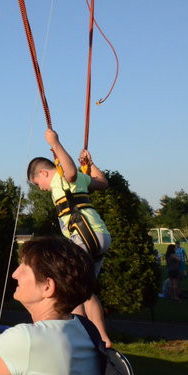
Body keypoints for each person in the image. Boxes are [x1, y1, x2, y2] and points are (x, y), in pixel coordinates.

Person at [0, 236, 100, 375]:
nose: (15, 274)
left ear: (47, 286)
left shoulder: (29, 339)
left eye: (24, 267)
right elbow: (4, 359)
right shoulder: (82, 327)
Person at [27, 129, 112, 347]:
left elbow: (71, 172)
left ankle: (80, 335)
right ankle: (101, 337)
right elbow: (102, 183)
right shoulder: (79, 180)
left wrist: (55, 143)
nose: (41, 188)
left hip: (83, 237)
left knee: (71, 289)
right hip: (100, 235)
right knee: (87, 292)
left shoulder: (62, 179)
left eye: (37, 183)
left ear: (44, 173)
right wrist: (91, 165)